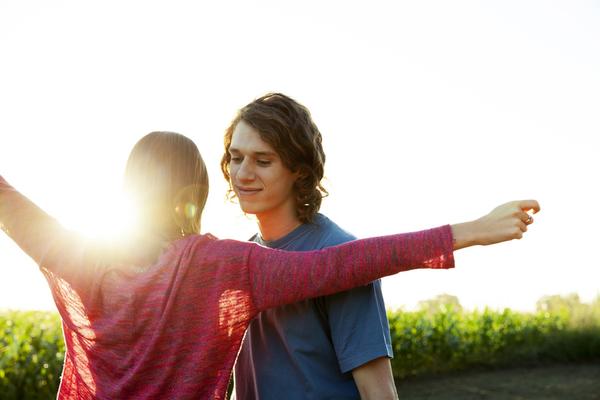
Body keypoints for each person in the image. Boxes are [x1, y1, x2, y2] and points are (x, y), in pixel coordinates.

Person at [0, 131, 539, 400]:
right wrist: (469, 232)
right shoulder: (220, 265)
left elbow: (7, 201)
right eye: (235, 159)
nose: (243, 172)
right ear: (197, 191)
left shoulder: (77, 254)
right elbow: (346, 264)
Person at [220, 93, 398, 399]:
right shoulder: (239, 262)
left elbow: (378, 393)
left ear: (299, 169)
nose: (243, 174)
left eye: (263, 161)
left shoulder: (341, 255)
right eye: (236, 158)